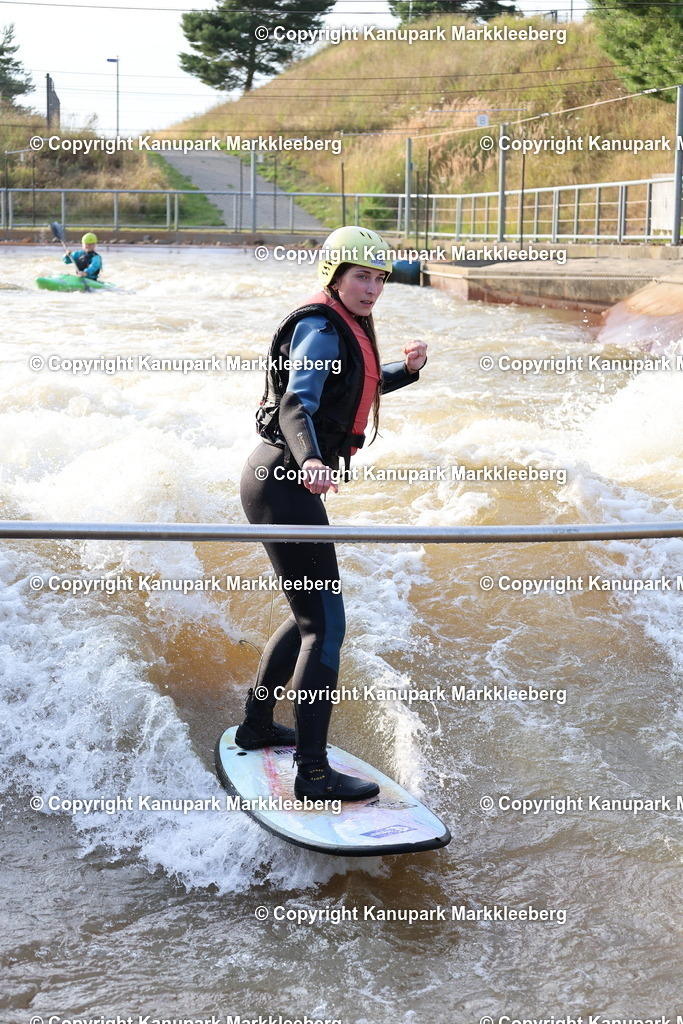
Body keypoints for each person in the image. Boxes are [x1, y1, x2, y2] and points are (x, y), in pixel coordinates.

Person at [236, 225, 428, 801]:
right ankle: (314, 775)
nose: (372, 289)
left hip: (281, 480)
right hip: (285, 481)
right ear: (334, 276)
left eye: (379, 279)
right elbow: (298, 402)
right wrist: (314, 460)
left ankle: (257, 725)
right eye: (361, 277)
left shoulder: (342, 325)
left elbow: (349, 390)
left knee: (308, 618)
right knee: (326, 627)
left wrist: (405, 370)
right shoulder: (320, 329)